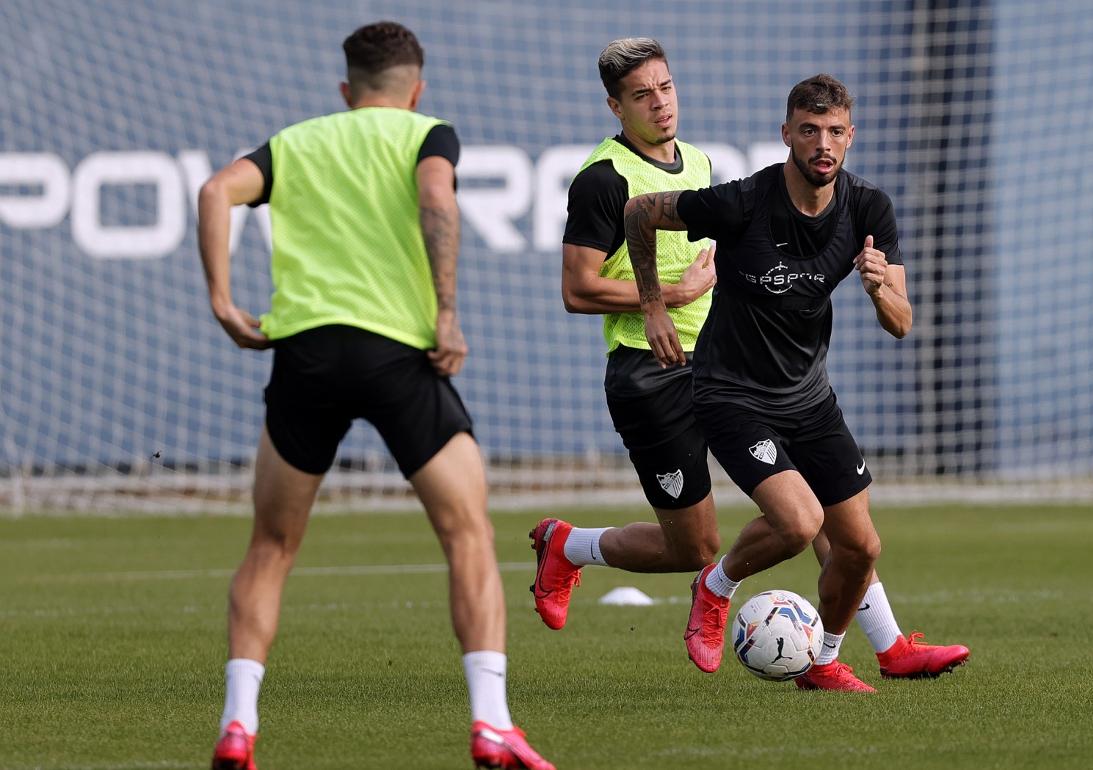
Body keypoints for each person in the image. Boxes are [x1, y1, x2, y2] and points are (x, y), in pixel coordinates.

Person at [197, 21, 553, 770]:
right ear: (416, 89)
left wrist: (225, 304)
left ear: (344, 90)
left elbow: (214, 192)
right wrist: (447, 312)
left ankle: (238, 725)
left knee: (271, 545)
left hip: (306, 354)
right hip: (396, 354)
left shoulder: (295, 142)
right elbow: (436, 198)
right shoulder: (430, 135)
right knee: (467, 534)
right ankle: (491, 723)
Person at [623, 74, 970, 692]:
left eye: (835, 131)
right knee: (799, 524)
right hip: (730, 392)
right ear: (786, 135)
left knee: (861, 548)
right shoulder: (743, 202)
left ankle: (830, 660)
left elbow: (902, 322)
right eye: (809, 131)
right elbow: (639, 211)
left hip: (809, 399)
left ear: (850, 136)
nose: (822, 144)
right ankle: (716, 585)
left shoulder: (869, 209)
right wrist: (652, 304)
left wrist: (878, 288)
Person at [528, 38, 721, 630]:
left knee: (809, 502)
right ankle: (569, 546)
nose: (660, 103)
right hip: (649, 372)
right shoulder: (603, 180)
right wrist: (673, 296)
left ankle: (848, 647)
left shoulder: (699, 161)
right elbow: (577, 289)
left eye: (666, 87)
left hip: (721, 364)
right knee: (694, 549)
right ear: (616, 107)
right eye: (642, 95)